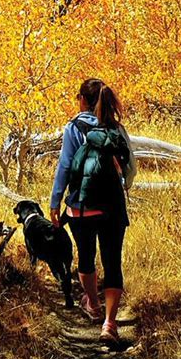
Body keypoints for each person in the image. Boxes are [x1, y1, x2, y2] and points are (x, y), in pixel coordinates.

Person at [49, 78, 137, 345]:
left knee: (86, 258)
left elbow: (65, 167)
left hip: (80, 207)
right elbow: (130, 168)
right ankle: (110, 323)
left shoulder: (73, 128)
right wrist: (122, 187)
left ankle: (94, 306)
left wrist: (55, 202)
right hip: (112, 208)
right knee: (113, 263)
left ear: (83, 100)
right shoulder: (116, 129)